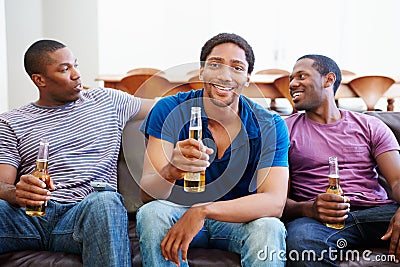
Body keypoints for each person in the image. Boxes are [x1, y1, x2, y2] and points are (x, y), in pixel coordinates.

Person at [136, 32, 290, 267]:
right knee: (152, 214)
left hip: (236, 220)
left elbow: (274, 202)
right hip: (178, 211)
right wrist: (171, 171)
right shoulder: (169, 109)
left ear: (248, 78)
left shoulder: (270, 124)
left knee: (269, 226)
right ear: (201, 71)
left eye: (237, 68)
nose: (225, 75)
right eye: (215, 65)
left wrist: (203, 211)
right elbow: (147, 195)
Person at [0, 39, 154, 266]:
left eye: (75, 65)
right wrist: (17, 193)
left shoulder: (107, 101)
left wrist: (219, 99)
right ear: (39, 79)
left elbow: (167, 106)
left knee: (106, 201)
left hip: (82, 216)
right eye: (65, 69)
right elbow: (3, 185)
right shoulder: (11, 122)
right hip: (28, 219)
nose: (76, 75)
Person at [284, 54, 400, 266]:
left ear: (328, 80)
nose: (292, 84)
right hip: (318, 220)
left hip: (377, 212)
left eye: (301, 76)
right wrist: (308, 209)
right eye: (291, 79)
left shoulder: (371, 126)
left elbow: (397, 180)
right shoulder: (283, 130)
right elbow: (276, 200)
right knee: (301, 243)